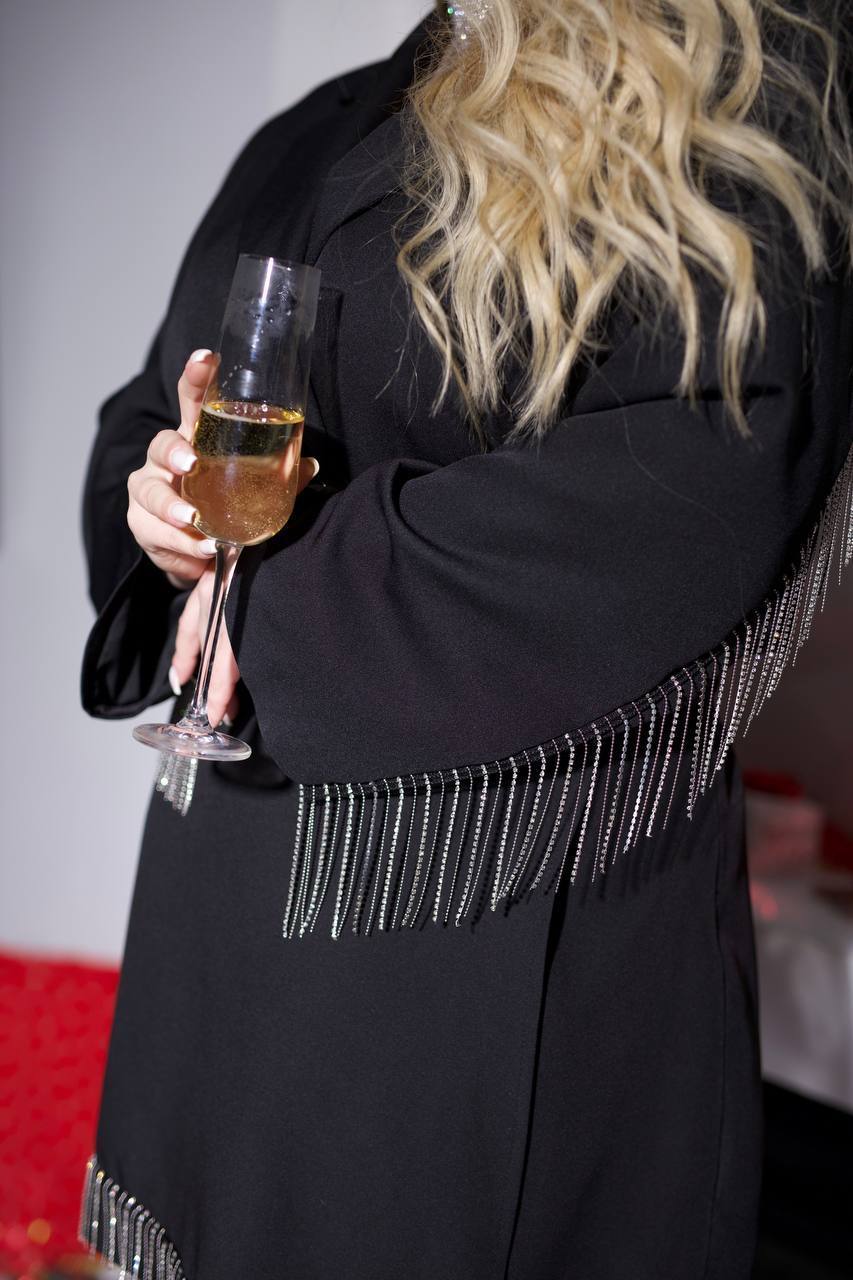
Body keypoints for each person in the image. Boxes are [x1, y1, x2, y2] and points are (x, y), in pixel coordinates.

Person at [78, 2, 853, 1277]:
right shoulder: (313, 129)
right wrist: (163, 513)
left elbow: (683, 484)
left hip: (477, 965)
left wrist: (273, 593)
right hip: (223, 937)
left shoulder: (731, 108)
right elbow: (150, 409)